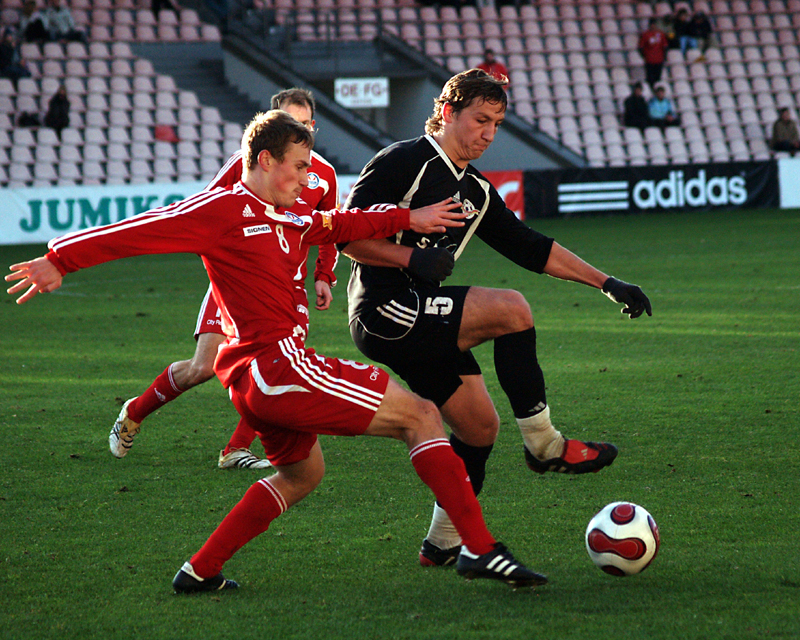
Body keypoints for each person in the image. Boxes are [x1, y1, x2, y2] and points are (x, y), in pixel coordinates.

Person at [6, 110, 547, 593]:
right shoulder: (223, 209)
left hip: (257, 381)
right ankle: (477, 547)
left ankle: (201, 570)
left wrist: (409, 219)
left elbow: (341, 223)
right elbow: (142, 229)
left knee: (301, 476)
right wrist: (60, 259)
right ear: (265, 160)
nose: (308, 179)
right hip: (278, 367)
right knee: (423, 415)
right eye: (300, 166)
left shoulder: (286, 214)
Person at [340, 69, 651, 568]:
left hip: (422, 316)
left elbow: (529, 247)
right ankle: (544, 445)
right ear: (448, 113)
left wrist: (607, 282)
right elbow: (345, 234)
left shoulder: (476, 190)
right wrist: (411, 258)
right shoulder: (403, 160)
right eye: (480, 120)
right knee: (511, 309)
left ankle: (442, 544)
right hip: (384, 310)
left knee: (480, 428)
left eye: (497, 124)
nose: (488, 133)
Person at [110, 88, 339, 470]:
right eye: (289, 122)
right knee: (201, 368)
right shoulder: (245, 162)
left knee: (279, 366)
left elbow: (331, 229)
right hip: (235, 283)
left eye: (304, 124)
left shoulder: (325, 175)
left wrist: (323, 275)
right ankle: (135, 411)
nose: (299, 131)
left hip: (287, 289)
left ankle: (235, 449)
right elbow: (208, 209)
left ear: (313, 126)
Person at [638, 18, 669, 89]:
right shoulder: (645, 34)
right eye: (652, 24)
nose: (653, 26)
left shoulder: (661, 34)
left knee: (658, 79)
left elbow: (665, 46)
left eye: (654, 24)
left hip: (659, 60)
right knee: (650, 79)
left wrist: (664, 56)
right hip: (649, 60)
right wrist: (645, 56)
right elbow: (641, 47)